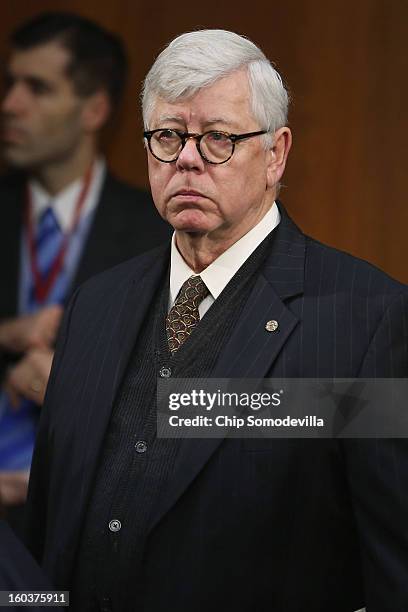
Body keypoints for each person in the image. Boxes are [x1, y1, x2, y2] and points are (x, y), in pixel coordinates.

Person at [25, 30, 407, 611]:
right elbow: (48, 527)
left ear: (276, 153)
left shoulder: (366, 318)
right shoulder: (94, 307)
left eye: (219, 139)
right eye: (168, 136)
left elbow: (392, 567)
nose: (186, 158)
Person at [0, 12, 170, 522]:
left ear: (94, 109)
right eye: (10, 83)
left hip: (89, 515)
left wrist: (73, 390)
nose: (9, 105)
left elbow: (183, 393)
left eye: (38, 88)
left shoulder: (160, 232)